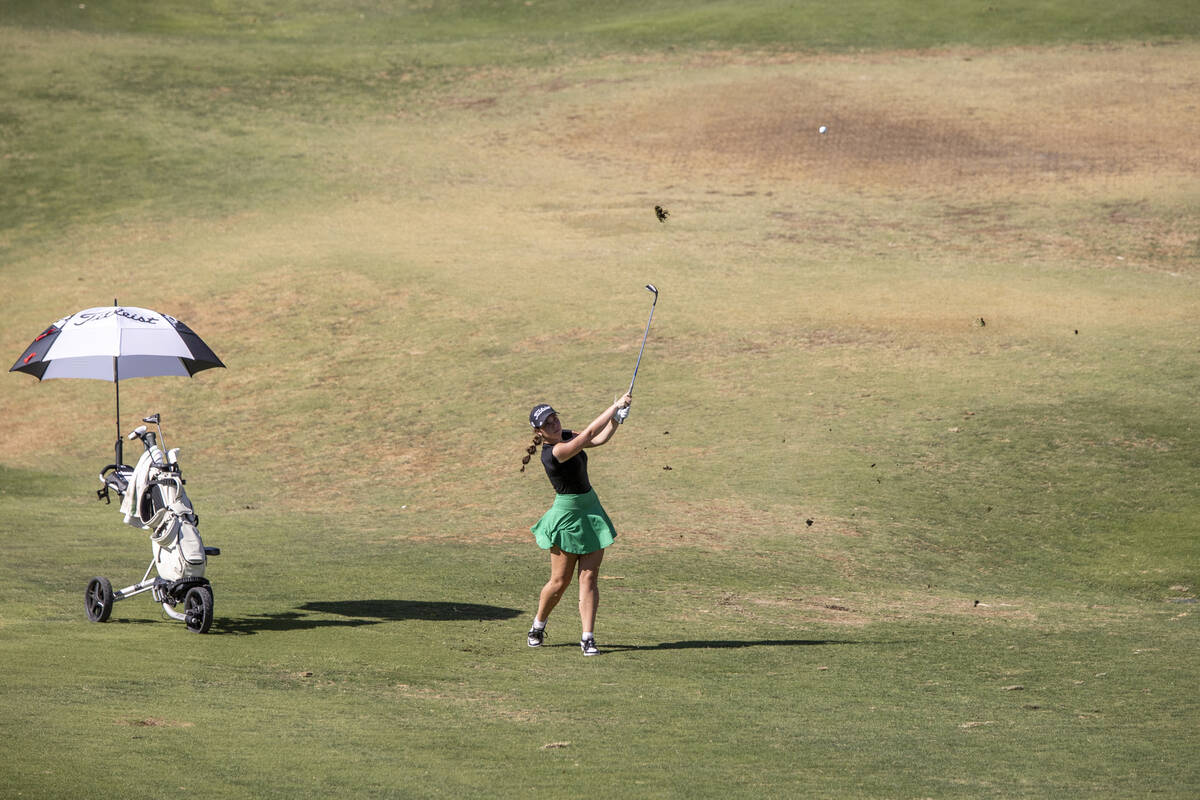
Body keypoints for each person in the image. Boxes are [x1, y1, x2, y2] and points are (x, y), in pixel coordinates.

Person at [521, 394, 632, 656]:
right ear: (538, 431)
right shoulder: (555, 452)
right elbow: (590, 432)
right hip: (567, 516)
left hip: (590, 509)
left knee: (589, 577)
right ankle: (538, 625)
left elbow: (598, 438)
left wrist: (616, 421)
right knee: (560, 581)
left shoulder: (566, 435)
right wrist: (614, 407)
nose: (554, 424)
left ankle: (588, 637)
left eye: (554, 418)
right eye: (547, 424)